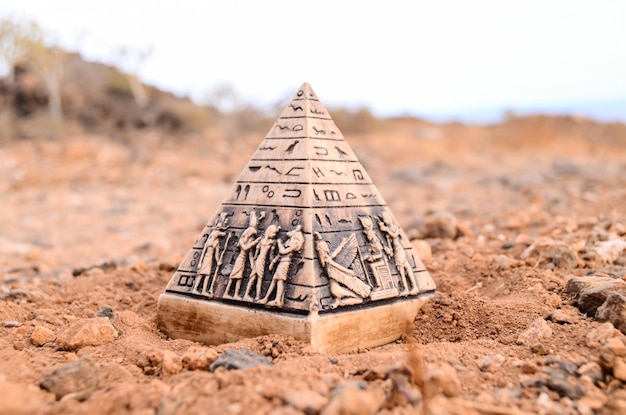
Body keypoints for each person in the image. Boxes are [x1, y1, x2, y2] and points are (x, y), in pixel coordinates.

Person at [259, 225, 304, 308]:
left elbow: (283, 252)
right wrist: (273, 262)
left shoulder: (295, 243)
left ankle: (277, 300)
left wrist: (279, 244)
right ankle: (267, 298)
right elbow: (280, 254)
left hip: (285, 264)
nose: (290, 232)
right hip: (282, 263)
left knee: (280, 281)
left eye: (293, 232)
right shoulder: (289, 241)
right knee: (275, 280)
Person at [378, 212, 419, 295]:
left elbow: (394, 235)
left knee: (402, 270)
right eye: (383, 219)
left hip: (399, 250)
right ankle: (411, 287)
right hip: (395, 251)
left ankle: (408, 288)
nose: (385, 221)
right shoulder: (387, 229)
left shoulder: (394, 227)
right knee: (406, 268)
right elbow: (389, 242)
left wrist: (386, 229)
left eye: (385, 219)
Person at [243, 224, 279, 302]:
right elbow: (256, 252)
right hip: (259, 260)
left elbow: (270, 255)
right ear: (269, 232)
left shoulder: (271, 242)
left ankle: (256, 295)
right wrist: (252, 261)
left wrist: (272, 263)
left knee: (257, 278)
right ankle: (249, 295)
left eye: (275, 233)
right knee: (255, 278)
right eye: (273, 233)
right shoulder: (262, 240)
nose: (274, 235)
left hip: (261, 261)